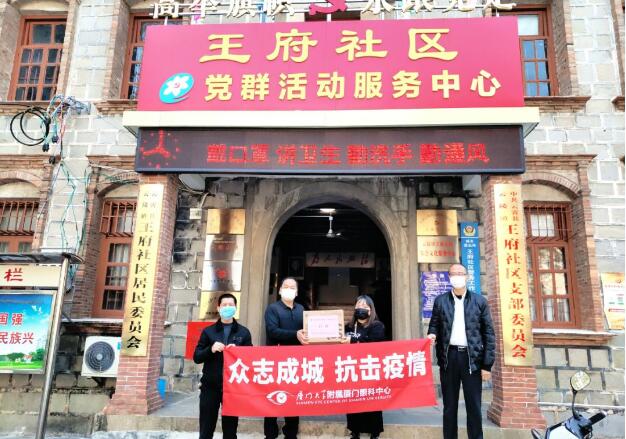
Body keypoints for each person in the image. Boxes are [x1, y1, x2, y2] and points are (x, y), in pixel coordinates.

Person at [427, 263, 496, 439]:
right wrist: (432, 334)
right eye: (453, 274)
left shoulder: (479, 301)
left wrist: (487, 365)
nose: (457, 276)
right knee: (449, 406)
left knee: (474, 406)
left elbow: (489, 334)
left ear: (467, 277)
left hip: (472, 359)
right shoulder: (440, 301)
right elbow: (434, 324)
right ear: (449, 277)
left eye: (460, 273)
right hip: (449, 358)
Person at [193, 293, 252, 439]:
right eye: (224, 305)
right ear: (218, 308)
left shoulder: (243, 332)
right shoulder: (208, 331)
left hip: (233, 388)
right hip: (210, 386)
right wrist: (211, 349)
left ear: (236, 307)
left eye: (231, 305)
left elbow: (250, 358)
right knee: (206, 429)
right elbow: (197, 357)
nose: (227, 307)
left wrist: (238, 351)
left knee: (230, 431)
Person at [264, 277, 308, 439]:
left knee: (293, 396)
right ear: (280, 290)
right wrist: (295, 335)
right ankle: (270, 433)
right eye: (286, 286)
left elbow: (307, 330)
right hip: (276, 359)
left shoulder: (301, 309)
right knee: (272, 395)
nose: (289, 289)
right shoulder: (273, 309)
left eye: (292, 287)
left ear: (296, 292)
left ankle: (291, 432)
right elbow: (272, 331)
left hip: (296, 361)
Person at [342, 295, 385, 439]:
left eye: (365, 306)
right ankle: (354, 431)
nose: (362, 308)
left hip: (370, 369)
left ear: (371, 310)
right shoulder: (348, 327)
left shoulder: (377, 326)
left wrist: (353, 340)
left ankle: (374, 433)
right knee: (353, 401)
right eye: (359, 305)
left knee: (372, 401)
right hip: (352, 369)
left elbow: (373, 342)